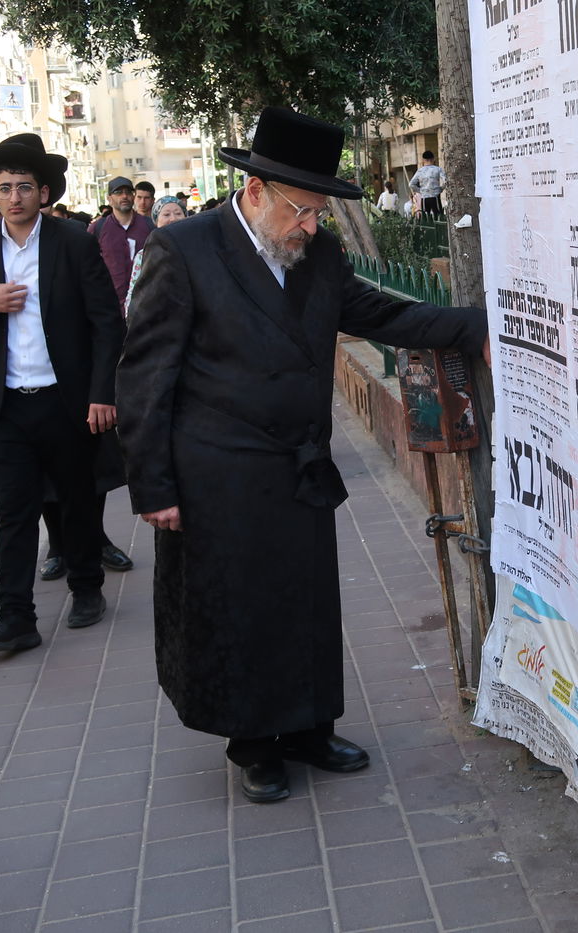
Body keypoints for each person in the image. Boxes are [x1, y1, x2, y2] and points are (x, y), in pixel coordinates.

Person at [117, 107, 488, 804]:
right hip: (216, 475)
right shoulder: (186, 250)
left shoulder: (315, 253)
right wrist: (152, 484)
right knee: (239, 608)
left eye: (320, 212)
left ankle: (311, 728)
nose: (312, 225)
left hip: (299, 463)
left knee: (306, 602)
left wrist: (472, 327)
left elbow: (380, 314)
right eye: (303, 210)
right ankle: (253, 741)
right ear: (256, 190)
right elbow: (144, 376)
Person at [0, 132, 124, 653]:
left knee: (77, 501)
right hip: (5, 404)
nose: (14, 197)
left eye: (24, 187)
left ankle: (87, 588)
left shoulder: (74, 243)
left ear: (43, 193)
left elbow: (107, 323)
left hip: (66, 401)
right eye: (4, 188)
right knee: (15, 510)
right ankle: (15, 616)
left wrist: (102, 393)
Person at [94, 176, 154, 310]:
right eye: (118, 193)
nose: (124, 196)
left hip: (144, 304)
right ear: (109, 199)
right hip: (110, 306)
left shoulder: (149, 226)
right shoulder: (98, 228)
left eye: (128, 192)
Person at [412, 150, 446, 215]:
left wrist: (420, 191)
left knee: (426, 218)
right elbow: (446, 181)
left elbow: (411, 184)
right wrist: (441, 189)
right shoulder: (438, 169)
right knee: (438, 216)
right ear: (433, 159)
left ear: (423, 160)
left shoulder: (420, 171)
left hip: (424, 198)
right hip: (435, 196)